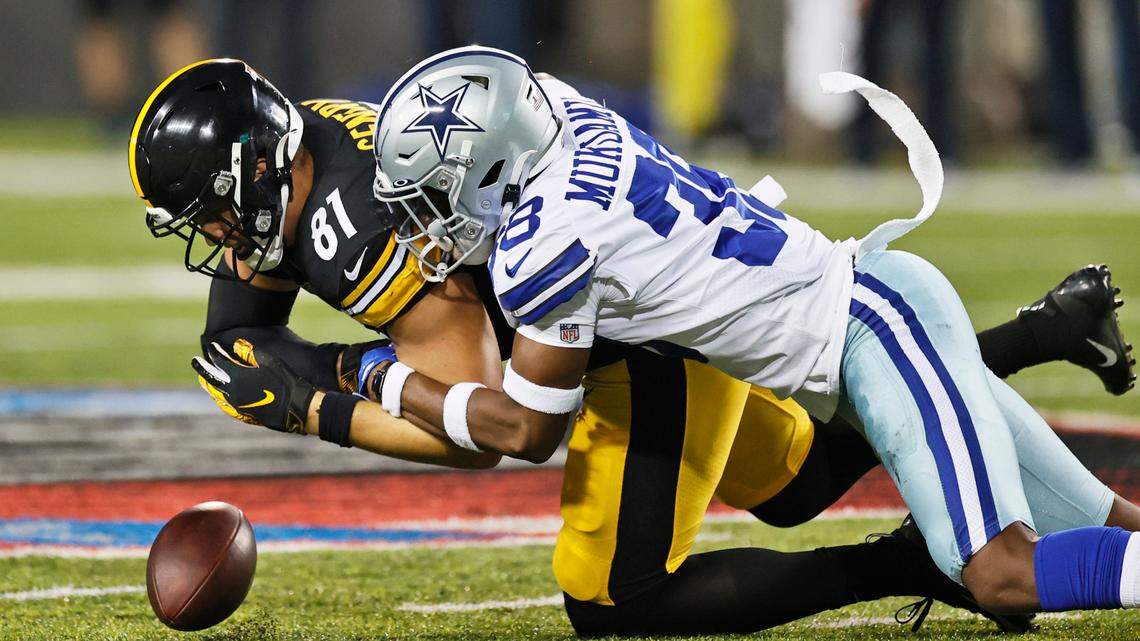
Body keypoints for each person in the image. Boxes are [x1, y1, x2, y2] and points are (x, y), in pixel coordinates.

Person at [133, 58, 1129, 636]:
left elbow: (504, 429)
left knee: (618, 601)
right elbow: (249, 324)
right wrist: (304, 367)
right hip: (783, 298)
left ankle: (919, 558)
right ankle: (1040, 333)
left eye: (212, 216)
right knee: (791, 484)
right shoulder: (505, 123)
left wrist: (342, 390)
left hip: (709, 330)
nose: (425, 231)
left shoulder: (508, 245)